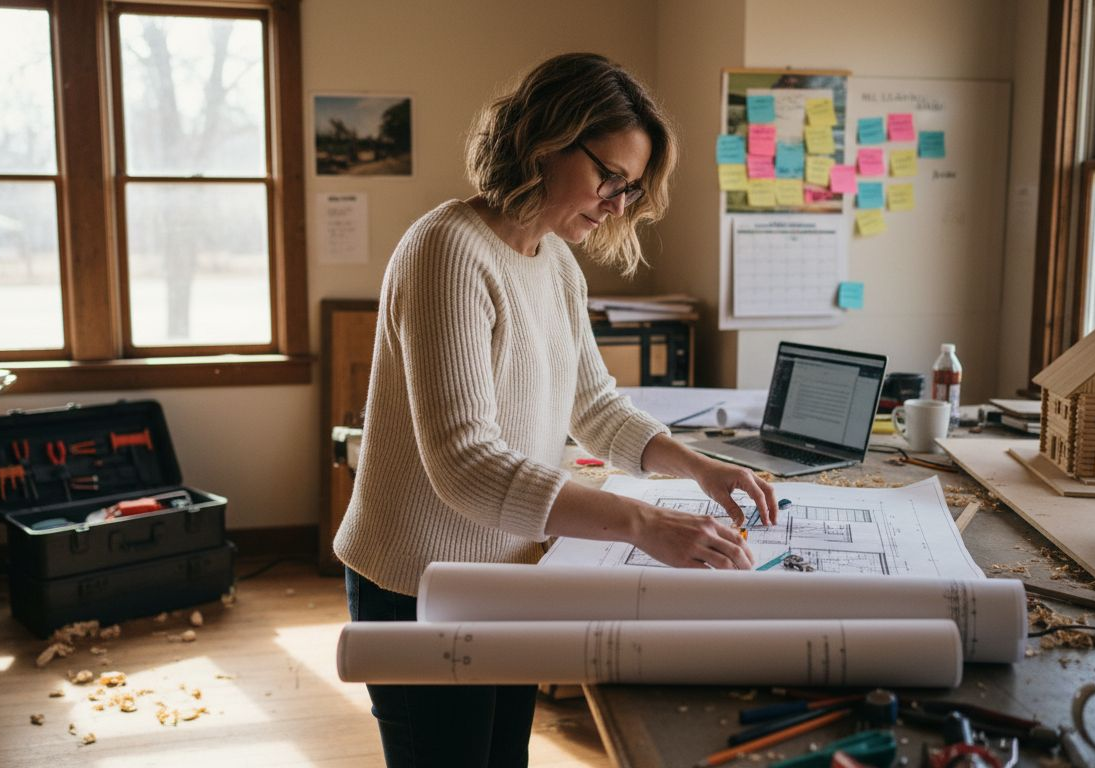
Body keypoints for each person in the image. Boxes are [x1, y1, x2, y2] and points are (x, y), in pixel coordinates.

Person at [333, 52, 779, 767]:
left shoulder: (554, 262)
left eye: (631, 191)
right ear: (544, 141)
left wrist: (698, 468)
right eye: (610, 177)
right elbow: (466, 465)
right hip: (417, 581)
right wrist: (643, 523)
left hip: (509, 571)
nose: (617, 204)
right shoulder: (447, 249)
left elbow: (594, 405)